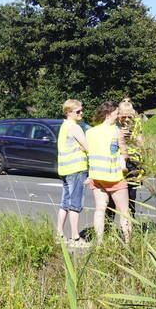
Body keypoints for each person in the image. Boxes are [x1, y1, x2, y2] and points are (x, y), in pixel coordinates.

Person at [85, 101, 132, 243]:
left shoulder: (90, 132)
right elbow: (124, 154)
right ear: (108, 114)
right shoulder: (116, 131)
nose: (118, 116)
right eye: (116, 113)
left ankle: (99, 242)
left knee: (100, 210)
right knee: (124, 211)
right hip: (114, 177)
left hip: (96, 176)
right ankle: (128, 242)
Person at [55, 99, 90, 246]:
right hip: (76, 169)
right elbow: (88, 146)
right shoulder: (75, 127)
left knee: (65, 203)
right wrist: (86, 149)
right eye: (78, 111)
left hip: (65, 169)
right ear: (69, 112)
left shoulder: (64, 126)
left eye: (81, 110)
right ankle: (75, 238)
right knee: (75, 204)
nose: (81, 113)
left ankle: (59, 234)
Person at [117, 98, 147, 218]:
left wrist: (133, 138)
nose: (127, 120)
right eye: (124, 117)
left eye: (130, 117)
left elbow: (142, 143)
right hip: (118, 160)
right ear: (118, 114)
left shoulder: (137, 123)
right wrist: (120, 135)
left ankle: (130, 220)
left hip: (133, 160)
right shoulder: (114, 124)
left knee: (131, 194)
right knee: (115, 194)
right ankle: (109, 226)